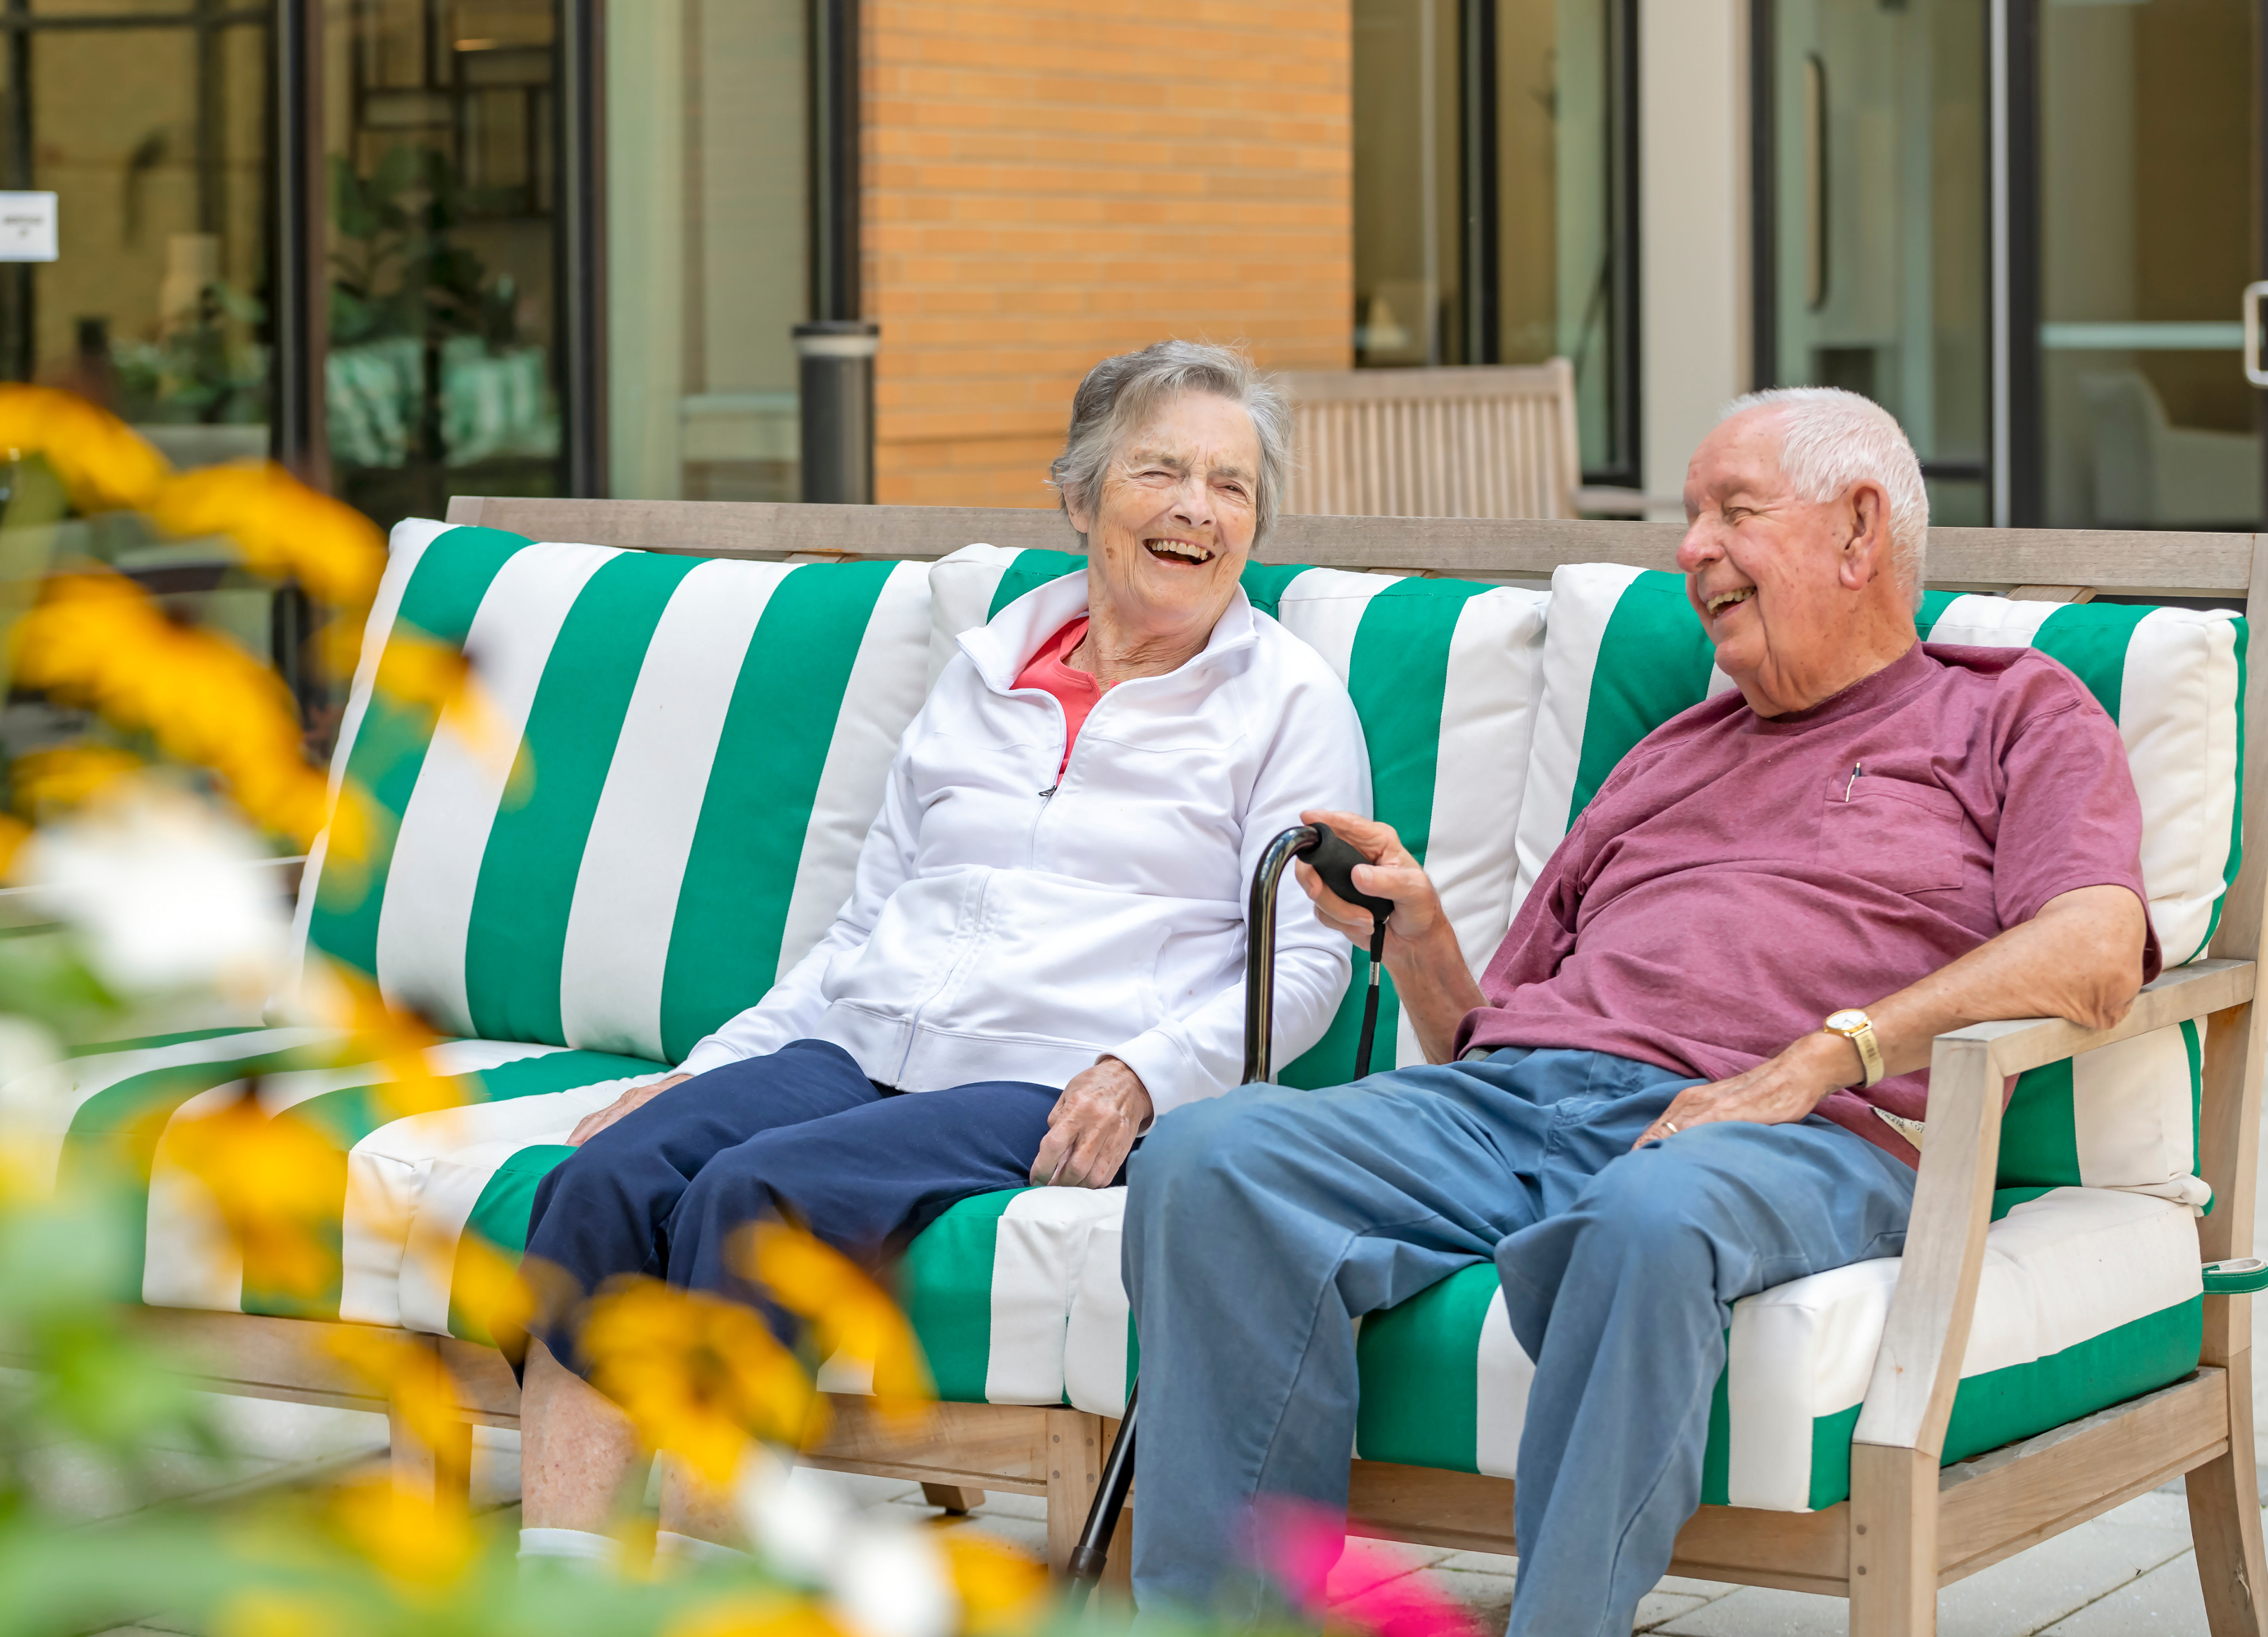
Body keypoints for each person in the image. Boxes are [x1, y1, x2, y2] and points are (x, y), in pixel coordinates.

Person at [1121, 386, 2158, 1635]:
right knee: (1206, 1154)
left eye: (1734, 512)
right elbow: (1485, 1036)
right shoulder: (1671, 754)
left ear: (1859, 529)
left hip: (1804, 1138)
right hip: (1518, 1103)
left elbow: (2098, 951)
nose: (1691, 548)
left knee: (1653, 1210)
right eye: (1687, 519)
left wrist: (1827, 1057)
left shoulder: (2011, 711)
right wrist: (1424, 941)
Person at [514, 339, 1371, 1565]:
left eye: (1231, 486)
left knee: (760, 1196)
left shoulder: (1285, 701)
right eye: (1161, 471)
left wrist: (1145, 1075)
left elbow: (1308, 964)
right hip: (864, 1042)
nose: (1197, 509)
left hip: (1055, 1073)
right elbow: (863, 924)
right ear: (1080, 496)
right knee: (609, 1176)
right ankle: (564, 1584)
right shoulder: (984, 674)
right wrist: (712, 1071)